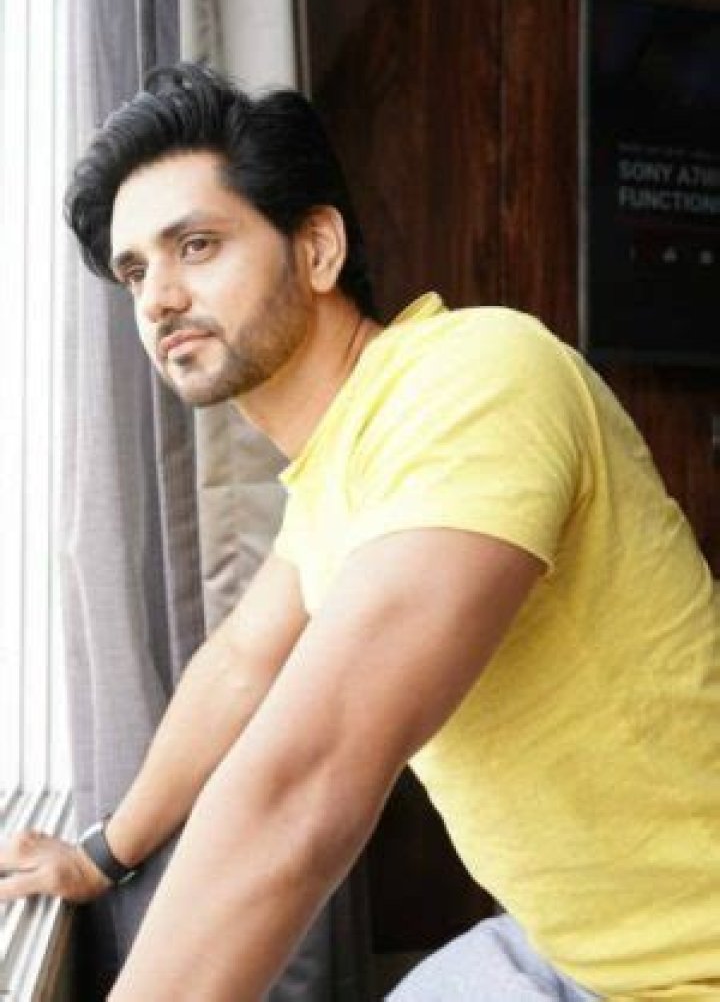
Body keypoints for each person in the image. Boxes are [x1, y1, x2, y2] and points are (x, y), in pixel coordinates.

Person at [0, 62, 718, 1002]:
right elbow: (240, 664)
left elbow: (306, 782)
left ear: (318, 250)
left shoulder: (475, 378)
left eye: (197, 245)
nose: (157, 297)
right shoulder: (343, 475)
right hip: (573, 949)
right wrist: (102, 855)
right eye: (134, 270)